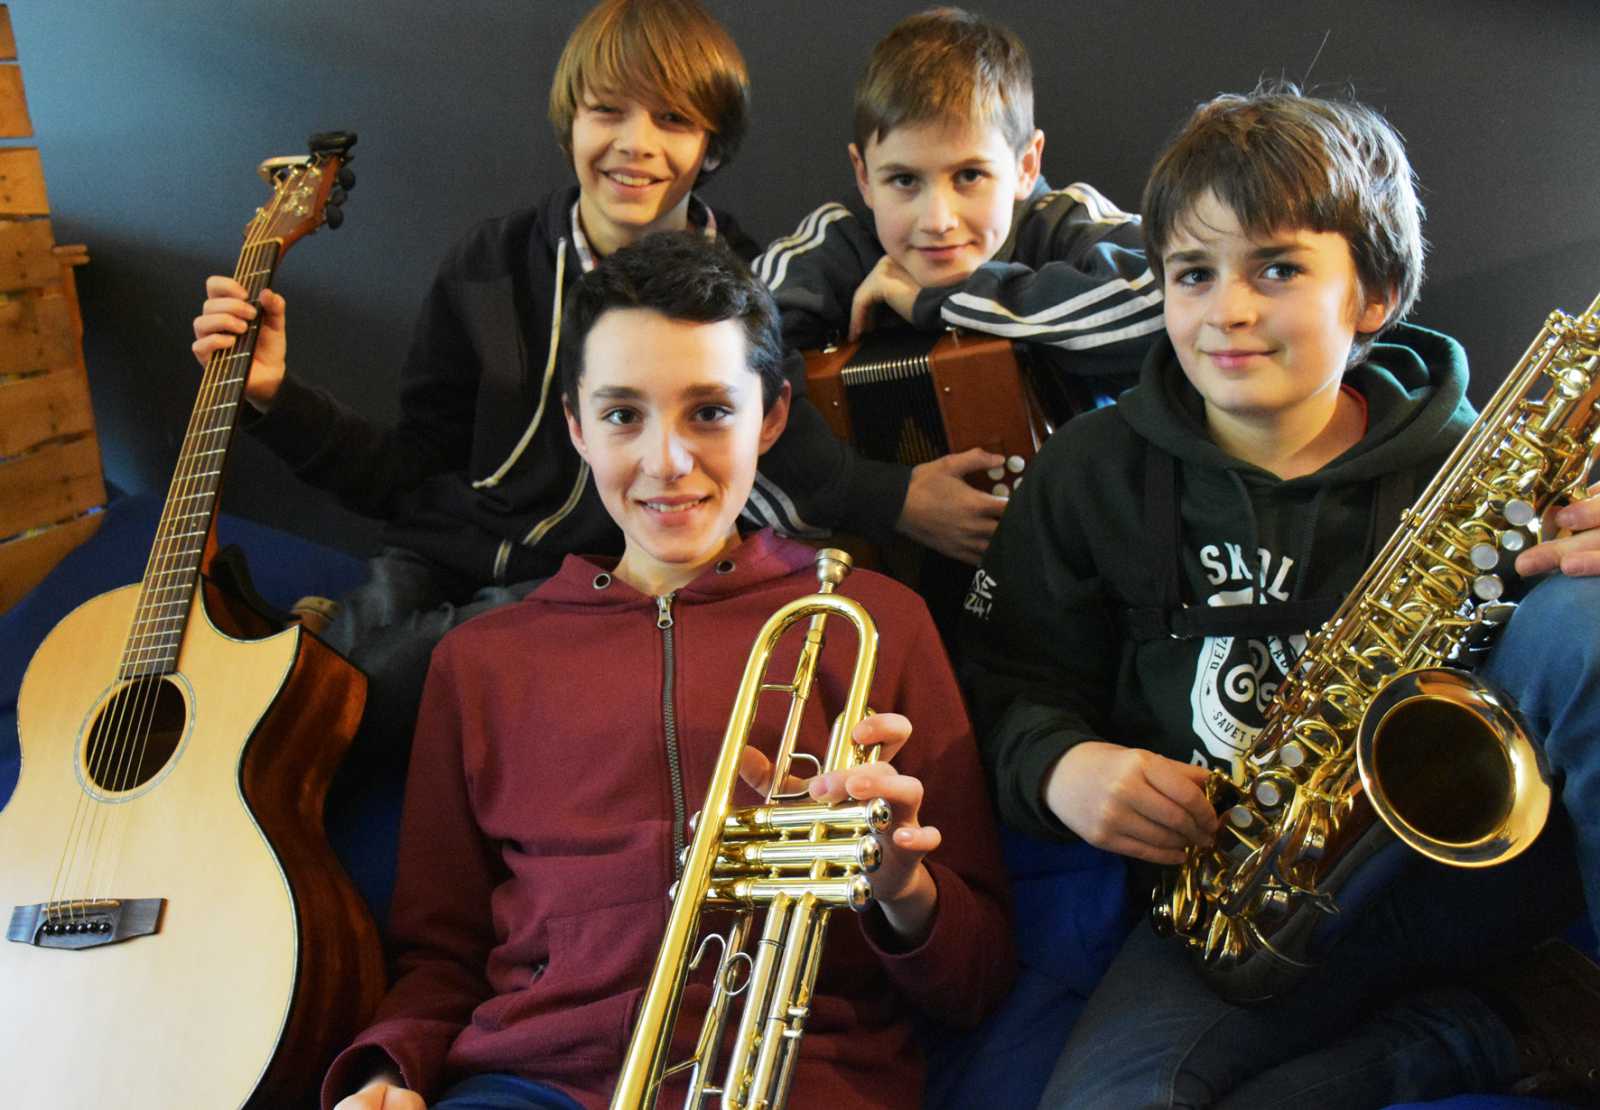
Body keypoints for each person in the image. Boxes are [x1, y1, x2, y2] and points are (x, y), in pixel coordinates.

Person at [961, 85, 1600, 1107]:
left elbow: (1569, 658)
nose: (1228, 310)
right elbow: (1005, 686)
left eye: (1278, 268)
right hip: (1236, 903)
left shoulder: (1484, 470)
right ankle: (1481, 1033)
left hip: (1468, 889)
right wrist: (1062, 768)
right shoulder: (1088, 473)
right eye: (1192, 273)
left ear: (1373, 294)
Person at [324, 231, 1014, 1110]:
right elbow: (440, 959)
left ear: (772, 418)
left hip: (797, 1085)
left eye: (710, 412)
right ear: (576, 426)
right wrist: (389, 1070)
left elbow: (976, 978)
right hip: (531, 1087)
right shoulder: (479, 662)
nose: (668, 462)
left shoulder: (875, 622)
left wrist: (899, 881)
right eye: (623, 415)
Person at [187, 0, 908, 766]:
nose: (636, 144)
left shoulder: (736, 296)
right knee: (274, 694)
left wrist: (908, 497)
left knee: (339, 712)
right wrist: (275, 396)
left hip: (581, 586)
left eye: (673, 119)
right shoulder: (488, 264)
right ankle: (320, 634)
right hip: (437, 550)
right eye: (607, 110)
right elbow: (409, 472)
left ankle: (326, 645)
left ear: (712, 145)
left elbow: (806, 469)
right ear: (570, 122)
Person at [753, 6, 1166, 571]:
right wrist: (889, 498)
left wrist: (944, 299)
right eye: (904, 180)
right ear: (863, 175)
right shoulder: (833, 243)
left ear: (1026, 165)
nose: (937, 221)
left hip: (1083, 565)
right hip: (883, 573)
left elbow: (1176, 302)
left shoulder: (1062, 221)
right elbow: (721, 378)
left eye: (969, 175)